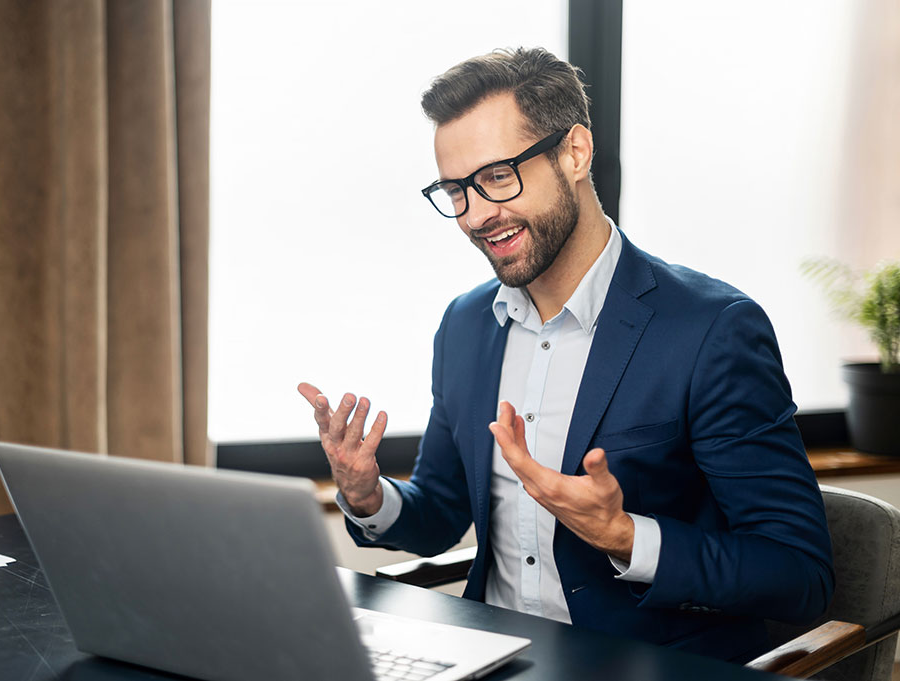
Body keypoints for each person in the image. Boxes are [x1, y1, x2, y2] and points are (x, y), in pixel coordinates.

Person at [298, 47, 833, 662]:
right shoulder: (466, 324)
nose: (476, 215)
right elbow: (442, 511)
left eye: (499, 177)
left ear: (575, 153)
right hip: (488, 656)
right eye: (456, 190)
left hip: (636, 662)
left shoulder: (712, 330)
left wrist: (626, 536)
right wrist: (369, 496)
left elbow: (800, 574)